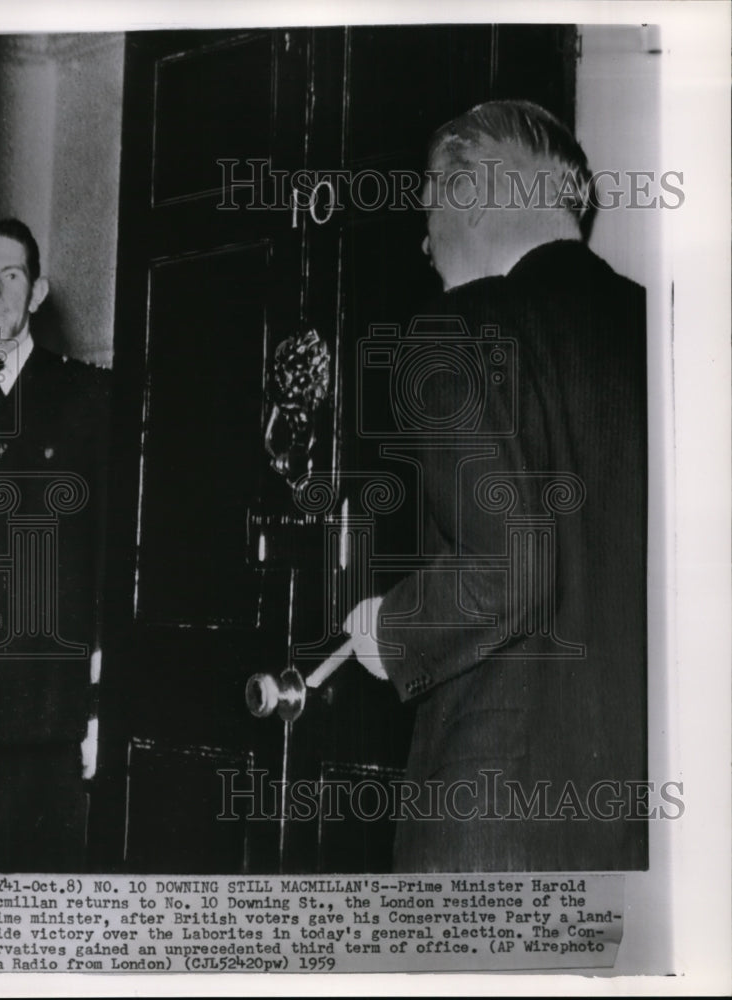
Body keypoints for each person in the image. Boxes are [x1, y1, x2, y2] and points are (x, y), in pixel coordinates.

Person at [341, 101, 648, 872]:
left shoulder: (454, 330)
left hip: (492, 829)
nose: (423, 236)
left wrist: (392, 627)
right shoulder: (663, 329)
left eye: (430, 204)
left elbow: (505, 575)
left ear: (474, 195)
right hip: (645, 823)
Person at [0, 217, 110, 872]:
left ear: (38, 290)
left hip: (43, 707)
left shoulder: (86, 397)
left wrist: (101, 701)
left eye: (10, 276)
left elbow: (108, 555)